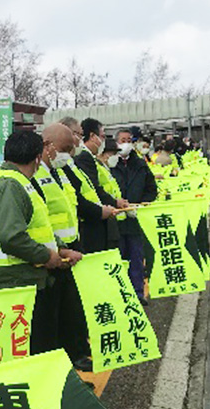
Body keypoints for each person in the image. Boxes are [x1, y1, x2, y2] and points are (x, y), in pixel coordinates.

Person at [0, 129, 82, 356]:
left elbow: (36, 229)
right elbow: (11, 237)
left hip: (28, 278)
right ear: (37, 158)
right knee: (34, 348)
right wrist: (47, 256)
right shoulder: (10, 185)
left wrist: (60, 249)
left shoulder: (19, 182)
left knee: (43, 343)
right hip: (16, 281)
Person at [36, 123, 92, 370]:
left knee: (72, 306)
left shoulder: (60, 172)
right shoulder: (34, 175)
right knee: (54, 313)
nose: (68, 154)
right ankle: (65, 361)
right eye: (64, 149)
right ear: (47, 146)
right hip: (51, 254)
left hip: (71, 247)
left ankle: (76, 352)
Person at [110, 128, 158, 304]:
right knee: (120, 259)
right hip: (116, 220)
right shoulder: (109, 165)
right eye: (122, 140)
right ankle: (123, 296)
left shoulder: (140, 164)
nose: (126, 143)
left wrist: (139, 205)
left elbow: (152, 189)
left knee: (137, 258)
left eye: (129, 140)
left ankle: (138, 292)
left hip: (136, 220)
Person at [70, 118, 128, 253]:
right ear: (92, 136)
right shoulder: (84, 157)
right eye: (102, 136)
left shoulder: (90, 158)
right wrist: (114, 202)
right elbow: (94, 188)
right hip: (93, 221)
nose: (103, 141)